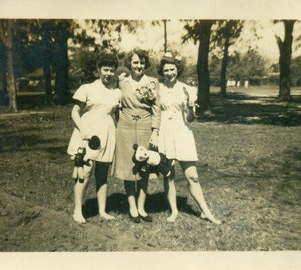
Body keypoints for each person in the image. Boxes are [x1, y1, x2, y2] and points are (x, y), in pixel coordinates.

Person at [157, 52, 221, 224]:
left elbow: (191, 119)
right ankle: (174, 211)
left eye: (172, 69)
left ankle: (206, 212)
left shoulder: (187, 89)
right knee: (168, 174)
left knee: (192, 176)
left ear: (178, 70)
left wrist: (191, 108)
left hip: (182, 132)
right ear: (162, 72)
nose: (169, 73)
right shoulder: (157, 89)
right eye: (166, 70)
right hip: (164, 132)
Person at [67, 51, 120, 224]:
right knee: (85, 170)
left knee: (102, 174)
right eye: (105, 69)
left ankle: (102, 210)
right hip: (88, 134)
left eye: (112, 70)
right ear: (99, 69)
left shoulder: (117, 92)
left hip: (107, 133)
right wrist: (83, 130)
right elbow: (74, 112)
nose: (109, 73)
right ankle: (78, 210)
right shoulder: (87, 88)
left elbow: (118, 115)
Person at [112, 48, 161, 223]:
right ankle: (132, 207)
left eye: (141, 62)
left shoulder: (153, 82)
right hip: (124, 128)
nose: (138, 65)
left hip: (145, 127)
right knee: (128, 168)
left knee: (143, 167)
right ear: (129, 64)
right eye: (135, 62)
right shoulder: (122, 82)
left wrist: (155, 131)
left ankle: (142, 207)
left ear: (145, 64)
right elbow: (117, 105)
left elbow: (156, 109)